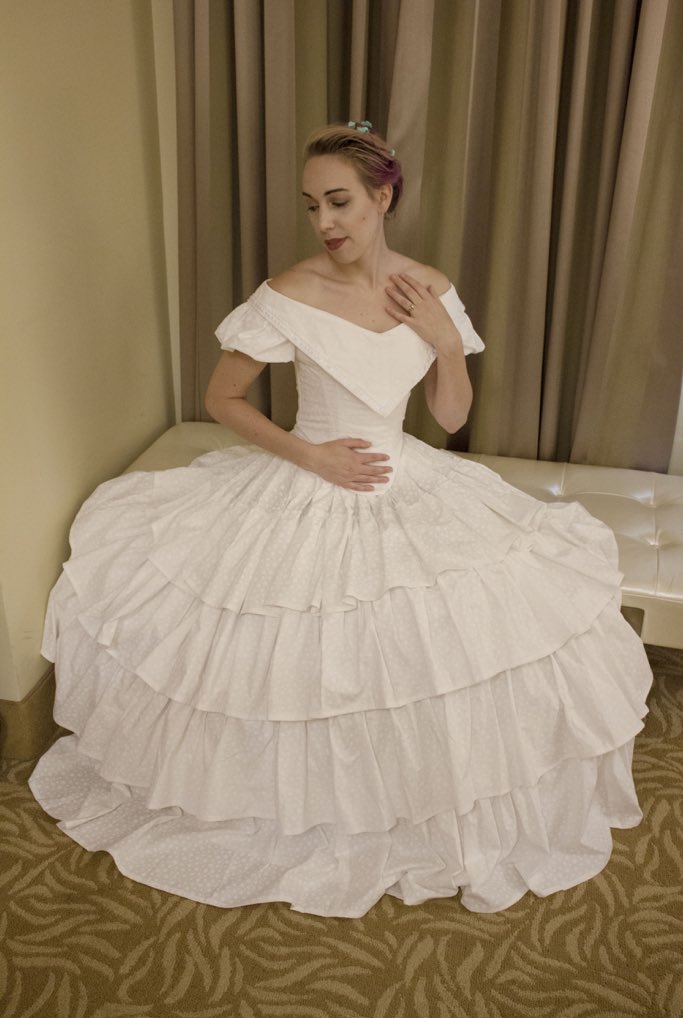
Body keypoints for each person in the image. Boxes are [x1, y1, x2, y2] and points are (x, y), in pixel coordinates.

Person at [29, 121, 653, 918]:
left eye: (339, 202)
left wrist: (446, 344)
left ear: (382, 197)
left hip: (404, 476)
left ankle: (410, 799)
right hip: (310, 474)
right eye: (312, 205)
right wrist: (310, 456)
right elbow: (221, 398)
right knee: (286, 651)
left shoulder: (426, 288)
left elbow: (451, 418)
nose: (324, 221)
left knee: (443, 642)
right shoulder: (288, 293)